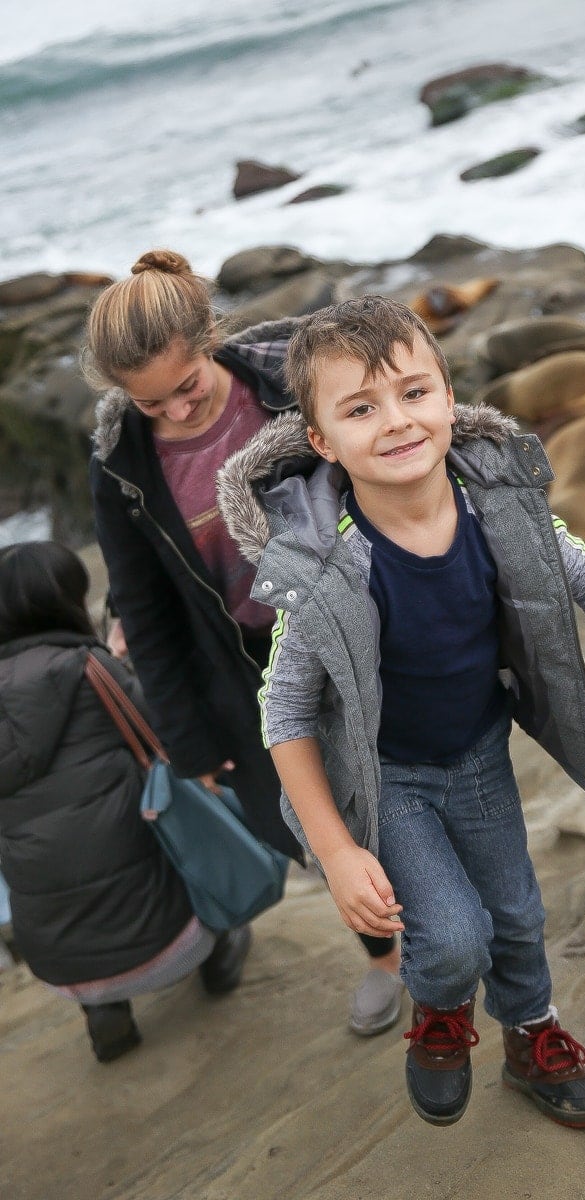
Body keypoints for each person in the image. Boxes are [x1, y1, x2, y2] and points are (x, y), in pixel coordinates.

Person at [215, 294, 585, 1128]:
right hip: (388, 778)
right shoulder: (329, 564)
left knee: (516, 915)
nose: (398, 421)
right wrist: (336, 852)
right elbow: (286, 711)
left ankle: (530, 1035)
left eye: (414, 392)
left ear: (449, 397)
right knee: (450, 940)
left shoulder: (496, 510)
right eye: (360, 408)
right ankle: (440, 1012)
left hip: (479, 757)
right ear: (321, 441)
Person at [84, 251, 404, 1037]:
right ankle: (383, 958)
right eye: (149, 402)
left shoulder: (290, 376)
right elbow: (143, 610)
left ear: (210, 339)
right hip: (247, 673)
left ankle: (447, 935)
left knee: (406, 789)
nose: (176, 414)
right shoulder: (120, 459)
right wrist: (189, 741)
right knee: (312, 818)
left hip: (367, 624)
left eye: (186, 386)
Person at [0, 541, 252, 1063]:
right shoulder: (90, 668)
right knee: (188, 844)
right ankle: (219, 959)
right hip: (167, 944)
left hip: (60, 968)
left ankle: (106, 1015)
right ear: (64, 601)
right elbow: (168, 739)